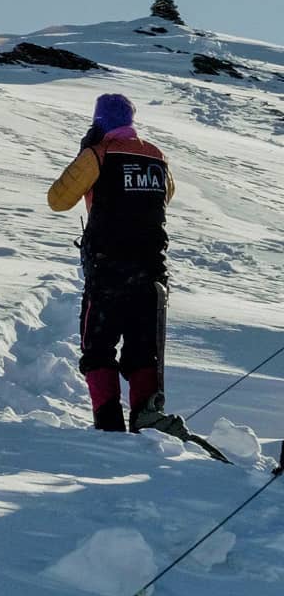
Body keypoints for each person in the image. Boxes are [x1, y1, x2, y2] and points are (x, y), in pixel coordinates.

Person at [48, 94, 175, 433]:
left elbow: (58, 199)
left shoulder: (98, 154)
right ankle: (146, 427)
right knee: (143, 352)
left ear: (99, 121)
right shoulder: (157, 156)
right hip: (152, 273)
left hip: (109, 270)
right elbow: (167, 195)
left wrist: (85, 157)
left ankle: (108, 426)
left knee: (98, 348)